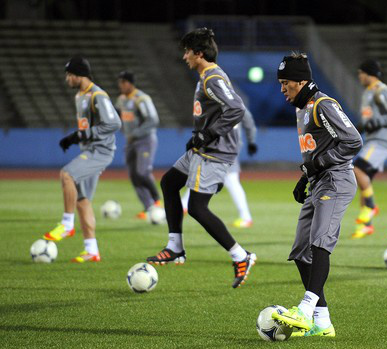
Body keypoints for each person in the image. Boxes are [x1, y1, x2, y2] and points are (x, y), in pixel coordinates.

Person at [145, 28, 255, 288]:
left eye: (187, 52)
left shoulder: (212, 78)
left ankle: (241, 255)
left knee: (196, 208)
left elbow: (237, 109)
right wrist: (201, 134)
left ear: (199, 54)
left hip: (214, 153)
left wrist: (208, 134)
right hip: (202, 149)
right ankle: (175, 247)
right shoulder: (207, 75)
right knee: (170, 182)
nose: (184, 57)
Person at [271, 53, 362, 336]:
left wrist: (318, 165)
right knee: (301, 251)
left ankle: (306, 308)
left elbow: (353, 140)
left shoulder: (323, 104)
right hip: (319, 181)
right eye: (281, 83)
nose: (283, 88)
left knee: (320, 242)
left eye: (286, 83)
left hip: (336, 181)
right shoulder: (302, 107)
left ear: (302, 81)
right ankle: (322, 323)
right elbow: (316, 150)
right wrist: (304, 177)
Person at [43, 56, 121, 263]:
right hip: (90, 149)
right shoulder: (80, 95)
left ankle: (67, 225)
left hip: (100, 151)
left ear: (79, 75)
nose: (67, 78)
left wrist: (81, 135)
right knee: (82, 200)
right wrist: (75, 137)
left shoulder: (98, 95)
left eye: (69, 74)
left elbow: (114, 124)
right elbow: (87, 127)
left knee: (66, 175)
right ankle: (91, 250)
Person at [351, 59, 387, 239]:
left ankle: (371, 206)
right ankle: (366, 224)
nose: (359, 76)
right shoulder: (368, 93)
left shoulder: (382, 90)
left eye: (361, 73)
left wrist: (379, 122)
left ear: (368, 74)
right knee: (364, 179)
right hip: (373, 140)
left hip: (382, 141)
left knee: (357, 169)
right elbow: (370, 119)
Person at [181, 107, 258, 228]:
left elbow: (247, 123)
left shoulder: (220, 104)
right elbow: (249, 123)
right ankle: (183, 206)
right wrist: (251, 141)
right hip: (218, 149)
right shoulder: (234, 103)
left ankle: (246, 217)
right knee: (200, 175)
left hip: (224, 150)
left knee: (231, 181)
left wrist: (251, 141)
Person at [115, 71, 161, 220]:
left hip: (145, 141)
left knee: (142, 172)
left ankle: (156, 199)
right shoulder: (121, 100)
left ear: (129, 83)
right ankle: (148, 207)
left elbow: (153, 120)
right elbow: (117, 117)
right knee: (134, 175)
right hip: (131, 143)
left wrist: (135, 133)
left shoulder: (140, 99)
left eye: (122, 82)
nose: (120, 85)